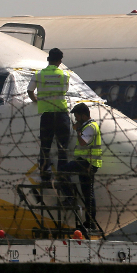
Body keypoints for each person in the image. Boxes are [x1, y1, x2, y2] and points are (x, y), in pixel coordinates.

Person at [27, 48, 71, 186]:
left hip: (46, 114)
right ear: (60, 61)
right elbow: (64, 90)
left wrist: (36, 100)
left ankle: (45, 175)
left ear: (48, 59)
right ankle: (62, 175)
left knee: (45, 146)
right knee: (62, 147)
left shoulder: (38, 75)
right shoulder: (65, 75)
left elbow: (29, 90)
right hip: (61, 113)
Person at [60, 103, 102, 233]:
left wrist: (78, 130)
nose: (76, 119)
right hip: (87, 163)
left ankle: (69, 196)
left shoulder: (89, 127)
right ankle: (90, 223)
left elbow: (84, 142)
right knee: (88, 194)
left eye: (77, 116)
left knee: (62, 171)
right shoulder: (88, 126)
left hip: (86, 163)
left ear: (84, 115)